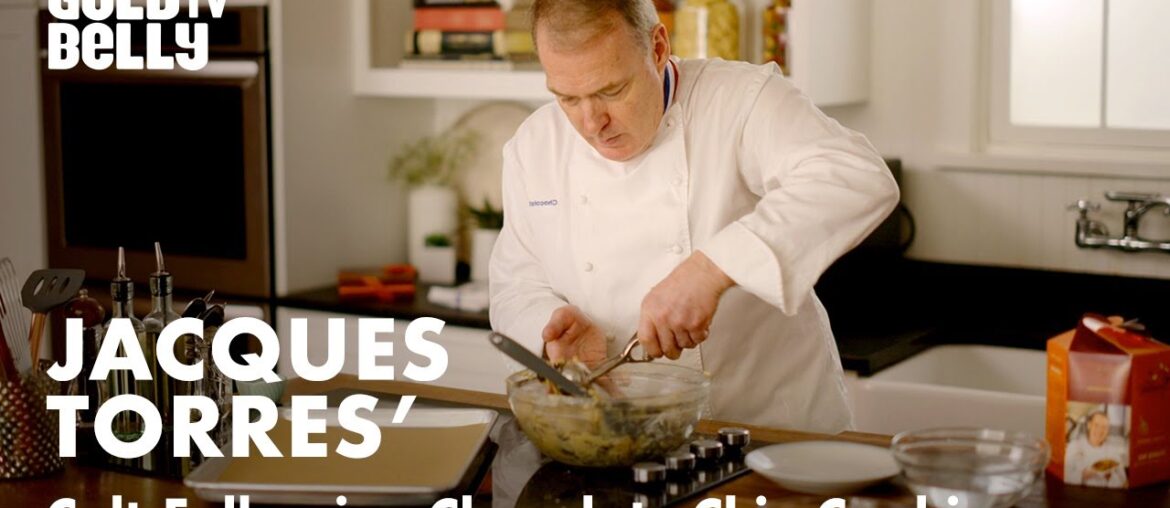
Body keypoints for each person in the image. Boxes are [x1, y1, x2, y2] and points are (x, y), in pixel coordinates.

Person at [488, 0, 899, 432]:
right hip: (618, 433)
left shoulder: (740, 100)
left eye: (611, 91)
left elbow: (859, 176)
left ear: (658, 47)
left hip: (770, 430)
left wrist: (711, 269)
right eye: (568, 98)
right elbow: (517, 283)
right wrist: (550, 330)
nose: (592, 123)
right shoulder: (532, 146)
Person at [1065, 410, 1128, 488]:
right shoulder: (1074, 446)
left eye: (1104, 427)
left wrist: (1109, 478)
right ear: (1089, 425)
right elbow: (1065, 476)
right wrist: (1083, 475)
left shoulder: (1113, 451)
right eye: (1096, 425)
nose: (1100, 430)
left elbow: (1123, 481)